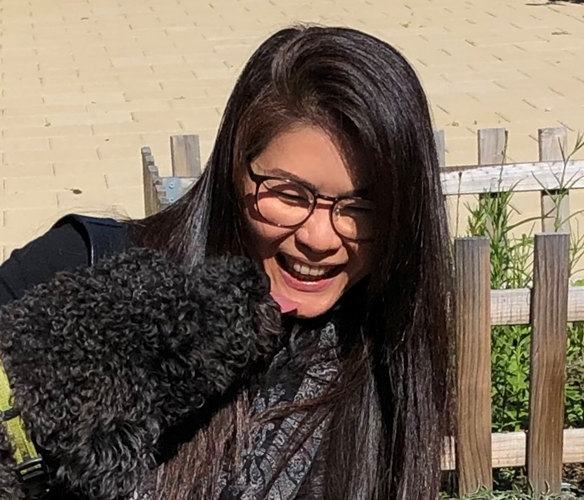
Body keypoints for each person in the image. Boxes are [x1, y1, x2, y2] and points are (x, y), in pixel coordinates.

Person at [0, 25, 454, 500]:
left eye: (362, 208)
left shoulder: (388, 355)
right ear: (234, 171)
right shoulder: (79, 270)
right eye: (287, 193)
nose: (319, 238)